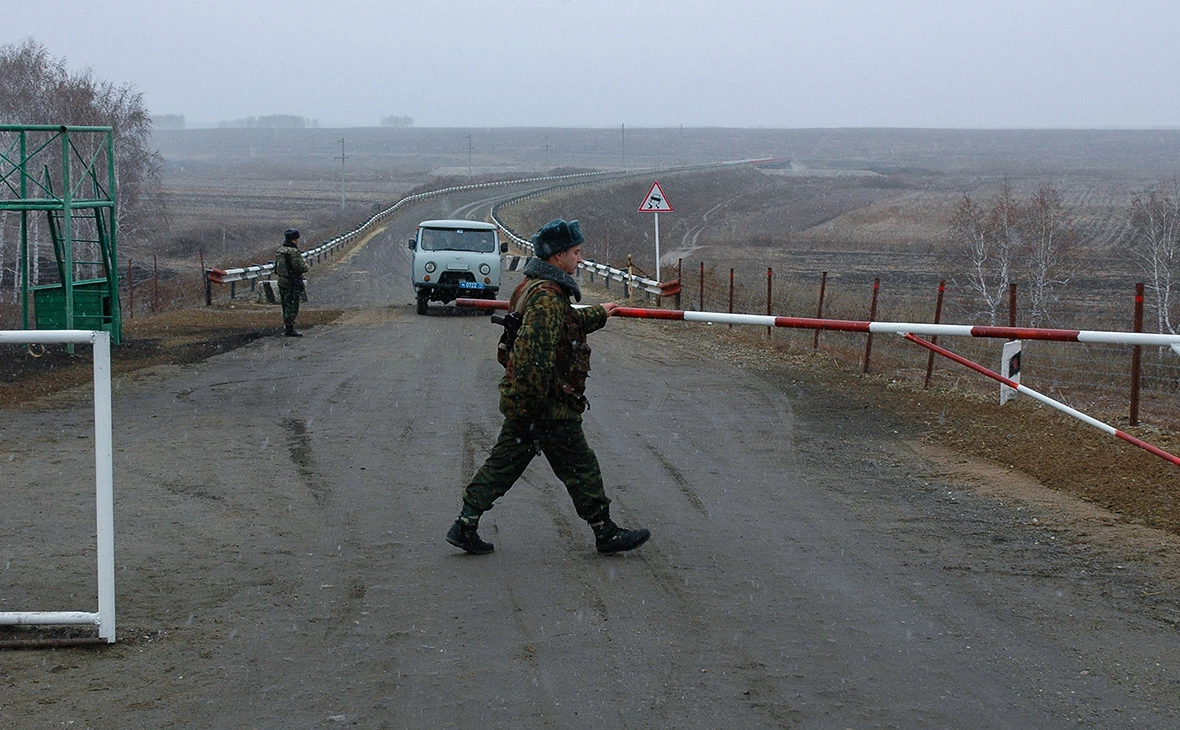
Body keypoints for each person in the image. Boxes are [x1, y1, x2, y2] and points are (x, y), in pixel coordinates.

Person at [446, 218, 651, 556]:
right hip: (547, 404)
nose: (580, 259)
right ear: (558, 256)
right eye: (576, 252)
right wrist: (535, 408)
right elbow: (535, 355)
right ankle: (605, 531)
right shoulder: (546, 296)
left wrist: (600, 313)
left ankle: (465, 523)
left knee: (503, 465)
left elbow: (564, 325)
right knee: (581, 467)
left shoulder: (535, 286)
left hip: (530, 403)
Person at [274, 228, 309, 337]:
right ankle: (290, 328)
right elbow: (300, 267)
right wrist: (306, 266)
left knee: (285, 304)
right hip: (292, 281)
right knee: (293, 305)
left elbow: (277, 267)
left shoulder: (280, 250)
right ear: (295, 239)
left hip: (282, 280)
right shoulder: (293, 252)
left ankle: (287, 326)